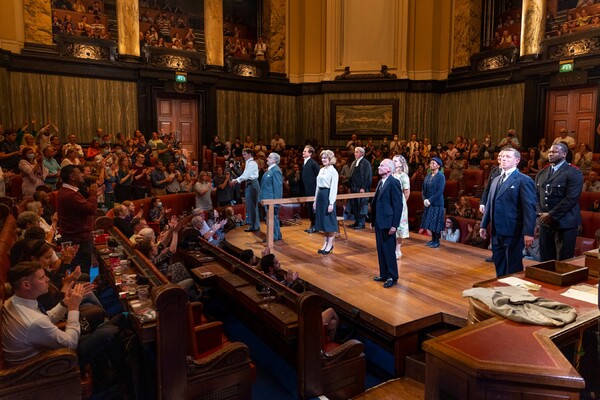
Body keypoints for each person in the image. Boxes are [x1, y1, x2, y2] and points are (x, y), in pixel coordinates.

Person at [1, 261, 121, 377]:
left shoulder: (13, 301)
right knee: (108, 332)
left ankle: (110, 374)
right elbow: (70, 343)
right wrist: (73, 307)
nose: (48, 280)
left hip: (44, 354)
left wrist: (65, 302)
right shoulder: (34, 322)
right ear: (26, 285)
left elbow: (46, 318)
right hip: (40, 369)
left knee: (108, 327)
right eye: (42, 278)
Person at [480, 147, 537, 277]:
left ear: (517, 160)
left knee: (513, 265)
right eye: (502, 157)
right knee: (499, 262)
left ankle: (513, 293)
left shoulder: (524, 180)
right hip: (496, 230)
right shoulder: (495, 180)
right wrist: (484, 224)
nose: (503, 159)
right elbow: (489, 204)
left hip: (513, 230)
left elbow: (529, 209)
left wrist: (528, 232)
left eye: (508, 157)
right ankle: (500, 287)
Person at [535, 143, 583, 261]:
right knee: (545, 260)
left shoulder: (573, 172)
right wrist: (540, 214)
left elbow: (571, 198)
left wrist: (551, 215)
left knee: (563, 260)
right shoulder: (542, 172)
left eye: (554, 152)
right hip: (545, 222)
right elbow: (536, 196)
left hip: (565, 222)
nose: (550, 154)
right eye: (550, 152)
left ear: (564, 154)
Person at [56, 165, 100, 273]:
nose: (82, 175)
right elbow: (91, 209)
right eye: (79, 173)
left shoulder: (69, 191)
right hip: (79, 238)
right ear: (72, 177)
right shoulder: (70, 194)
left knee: (83, 267)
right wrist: (93, 194)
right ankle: (83, 288)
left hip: (77, 236)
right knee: (82, 269)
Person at [371, 159, 402, 288]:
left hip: (388, 223)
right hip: (379, 221)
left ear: (389, 168)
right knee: (381, 249)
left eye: (382, 165)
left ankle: (392, 276)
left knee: (389, 250)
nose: (379, 167)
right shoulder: (380, 182)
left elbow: (397, 205)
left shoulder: (394, 182)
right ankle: (384, 273)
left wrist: (394, 225)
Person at [313, 150, 339, 255]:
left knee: (329, 222)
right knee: (323, 222)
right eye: (322, 158)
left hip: (327, 196)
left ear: (330, 159)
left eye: (325, 158)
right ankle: (325, 243)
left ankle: (330, 244)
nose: (323, 160)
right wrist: (315, 200)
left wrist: (331, 203)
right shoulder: (321, 170)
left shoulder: (333, 171)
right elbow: (317, 186)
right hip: (320, 196)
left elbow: (333, 188)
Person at [231, 149, 260, 232]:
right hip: (250, 184)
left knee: (252, 206)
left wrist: (236, 180)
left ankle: (254, 226)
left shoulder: (252, 163)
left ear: (250, 154)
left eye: (245, 154)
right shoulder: (248, 163)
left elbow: (246, 175)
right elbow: (245, 175)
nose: (243, 156)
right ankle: (254, 225)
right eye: (243, 154)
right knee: (251, 206)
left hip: (252, 184)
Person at [420, 157, 446, 248]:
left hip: (437, 203)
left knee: (436, 222)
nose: (431, 164)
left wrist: (430, 200)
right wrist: (424, 199)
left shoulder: (441, 176)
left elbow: (439, 192)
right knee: (430, 222)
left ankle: (436, 241)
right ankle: (432, 240)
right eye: (431, 163)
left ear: (438, 166)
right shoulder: (428, 176)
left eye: (434, 163)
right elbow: (423, 189)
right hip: (428, 203)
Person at [259, 153, 283, 241]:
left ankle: (275, 236)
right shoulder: (270, 170)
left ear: (274, 160)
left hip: (272, 200)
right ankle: (276, 235)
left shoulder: (276, 170)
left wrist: (277, 201)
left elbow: (278, 187)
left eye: (269, 157)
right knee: (271, 218)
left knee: (273, 218)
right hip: (267, 199)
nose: (267, 159)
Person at [348, 147, 372, 230]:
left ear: (362, 153)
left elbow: (368, 177)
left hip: (362, 189)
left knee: (361, 205)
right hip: (354, 188)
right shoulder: (354, 162)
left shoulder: (366, 163)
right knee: (355, 205)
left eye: (357, 152)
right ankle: (356, 222)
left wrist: (363, 187)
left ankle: (361, 223)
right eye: (355, 152)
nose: (355, 153)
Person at [392, 155, 410, 258]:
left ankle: (397, 250)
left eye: (395, 161)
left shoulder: (403, 176)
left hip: (399, 203)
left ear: (400, 163)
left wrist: (401, 204)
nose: (393, 162)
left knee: (399, 227)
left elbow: (406, 192)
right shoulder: (391, 174)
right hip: (390, 202)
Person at [301, 145, 320, 233]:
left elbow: (319, 176)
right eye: (303, 151)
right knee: (309, 208)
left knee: (313, 208)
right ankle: (312, 224)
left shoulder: (313, 163)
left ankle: (315, 226)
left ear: (310, 153)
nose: (303, 152)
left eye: (305, 151)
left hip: (313, 190)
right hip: (307, 190)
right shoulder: (305, 162)